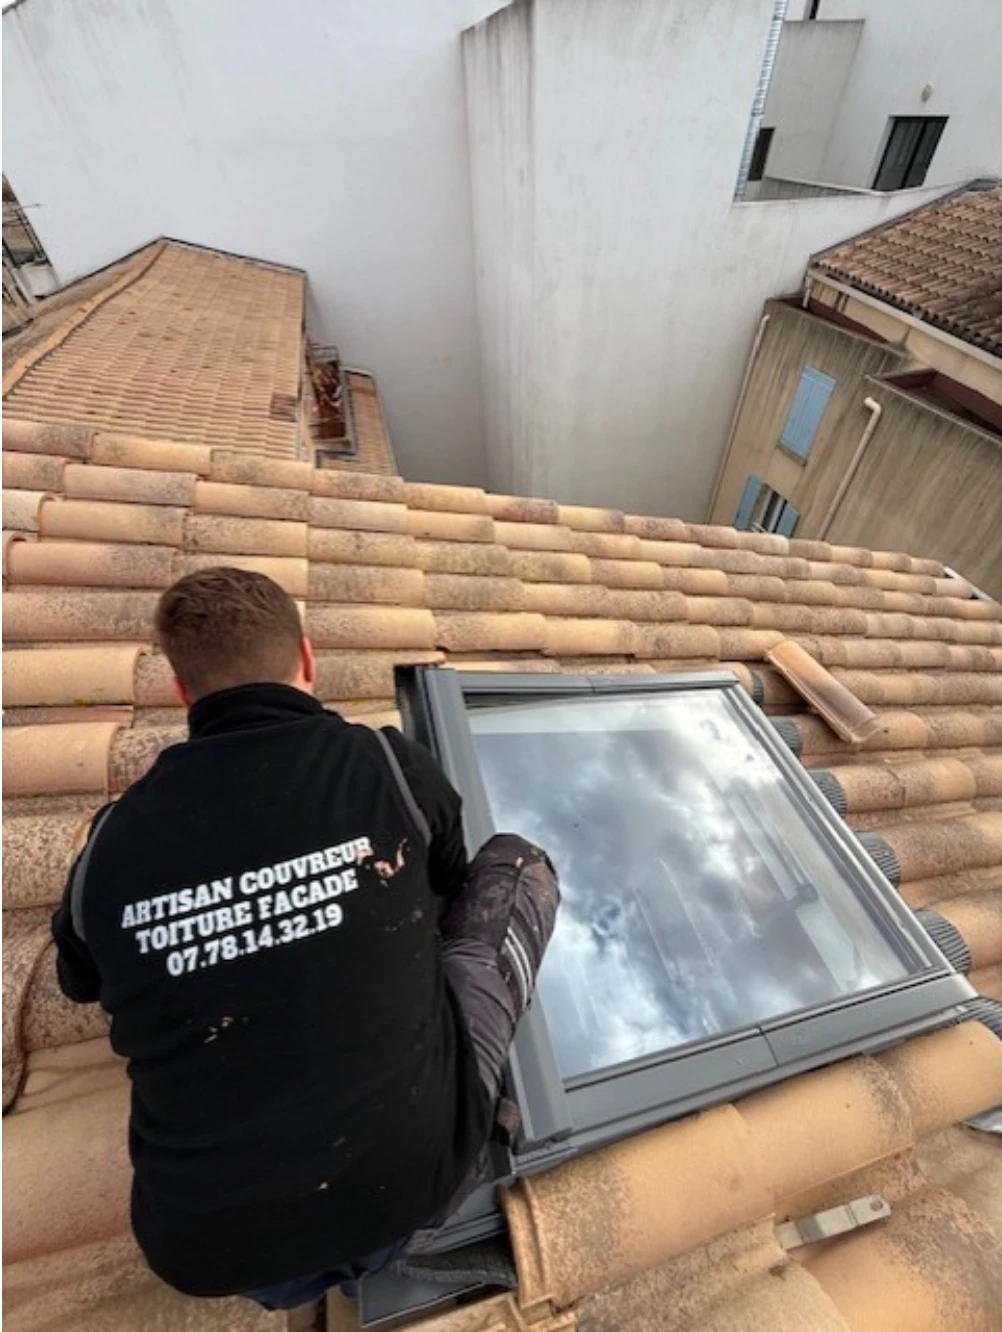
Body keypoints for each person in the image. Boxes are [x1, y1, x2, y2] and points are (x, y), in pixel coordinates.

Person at [52, 566, 559, 1310]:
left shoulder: (110, 849)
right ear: (309, 659)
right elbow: (452, 887)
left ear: (183, 693)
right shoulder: (387, 765)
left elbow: (80, 980)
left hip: (212, 1250)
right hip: (415, 1187)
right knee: (517, 865)